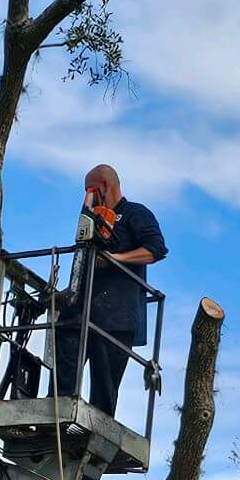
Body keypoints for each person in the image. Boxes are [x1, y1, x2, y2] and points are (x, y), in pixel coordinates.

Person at [52, 164, 166, 419]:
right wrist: (65, 294)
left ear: (105, 187)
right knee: (62, 377)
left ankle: (97, 427)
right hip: (78, 311)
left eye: (90, 190)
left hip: (116, 316)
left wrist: (116, 259)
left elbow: (156, 249)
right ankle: (56, 421)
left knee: (104, 388)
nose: (88, 197)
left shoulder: (135, 213)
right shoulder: (90, 220)